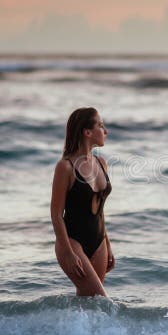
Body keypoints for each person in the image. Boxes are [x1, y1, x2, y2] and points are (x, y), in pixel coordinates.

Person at [50, 107, 114, 297]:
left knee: (89, 305)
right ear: (87, 132)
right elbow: (56, 214)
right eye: (101, 126)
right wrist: (68, 252)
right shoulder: (65, 167)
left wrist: (108, 244)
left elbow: (100, 211)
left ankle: (67, 327)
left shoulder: (101, 163)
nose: (105, 131)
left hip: (99, 241)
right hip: (72, 242)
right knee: (101, 300)